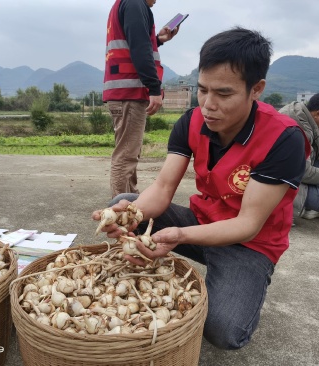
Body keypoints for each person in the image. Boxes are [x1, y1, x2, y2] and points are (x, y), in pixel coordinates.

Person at [93, 27, 310, 350]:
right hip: (202, 222)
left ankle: (241, 281)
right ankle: (148, 255)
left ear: (257, 90)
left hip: (250, 245)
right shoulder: (192, 121)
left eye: (223, 94)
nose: (208, 105)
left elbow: (248, 225)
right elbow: (163, 188)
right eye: (202, 90)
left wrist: (179, 237)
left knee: (223, 331)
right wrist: (131, 214)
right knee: (124, 202)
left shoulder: (284, 139)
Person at [103, 0, 179, 198]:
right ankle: (120, 212)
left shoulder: (126, 4)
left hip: (124, 91)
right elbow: (139, 47)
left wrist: (159, 39)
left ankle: (129, 201)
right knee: (126, 155)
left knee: (129, 153)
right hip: (129, 91)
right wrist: (154, 87)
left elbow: (136, 43)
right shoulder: (135, 3)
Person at [279, 93, 319, 220]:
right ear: (318, 114)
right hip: (289, 186)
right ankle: (308, 206)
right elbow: (303, 172)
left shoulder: (303, 114)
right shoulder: (297, 130)